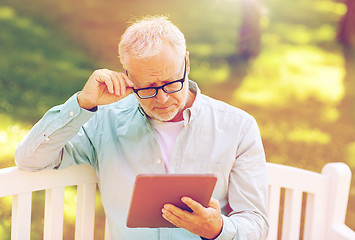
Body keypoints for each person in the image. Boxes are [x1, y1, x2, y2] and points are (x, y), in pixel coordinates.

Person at [15, 16, 269, 240]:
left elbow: (256, 223)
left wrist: (218, 229)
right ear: (128, 75)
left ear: (186, 63)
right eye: (147, 88)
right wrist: (83, 103)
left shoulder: (237, 127)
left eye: (171, 83)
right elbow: (30, 159)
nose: (161, 99)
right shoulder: (104, 121)